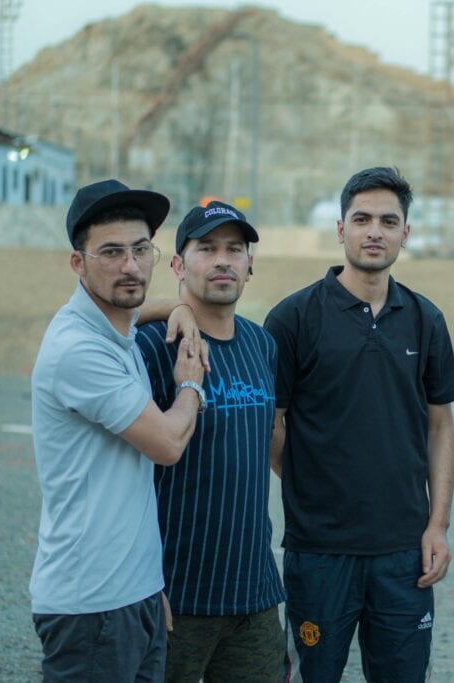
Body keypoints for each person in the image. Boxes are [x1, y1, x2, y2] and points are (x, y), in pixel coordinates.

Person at [263, 167, 454, 681]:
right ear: (341, 229)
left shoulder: (425, 319)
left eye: (388, 221)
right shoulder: (293, 318)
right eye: (362, 218)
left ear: (405, 234)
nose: (375, 231)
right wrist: (312, 479)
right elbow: (273, 423)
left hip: (404, 555)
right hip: (318, 554)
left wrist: (436, 525)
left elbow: (441, 428)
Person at [30, 179, 206, 681]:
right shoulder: (79, 350)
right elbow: (169, 443)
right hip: (91, 608)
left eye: (140, 249)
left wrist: (177, 308)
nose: (130, 266)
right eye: (111, 252)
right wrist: (190, 384)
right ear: (77, 263)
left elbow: (134, 306)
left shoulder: (112, 328)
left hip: (134, 596)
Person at [136, 201, 287, 681]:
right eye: (206, 248)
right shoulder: (151, 346)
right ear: (178, 265)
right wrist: (140, 580)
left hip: (254, 595)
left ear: (249, 266)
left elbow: (272, 445)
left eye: (234, 249)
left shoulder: (261, 344)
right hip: (175, 595)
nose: (223, 260)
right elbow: (87, 323)